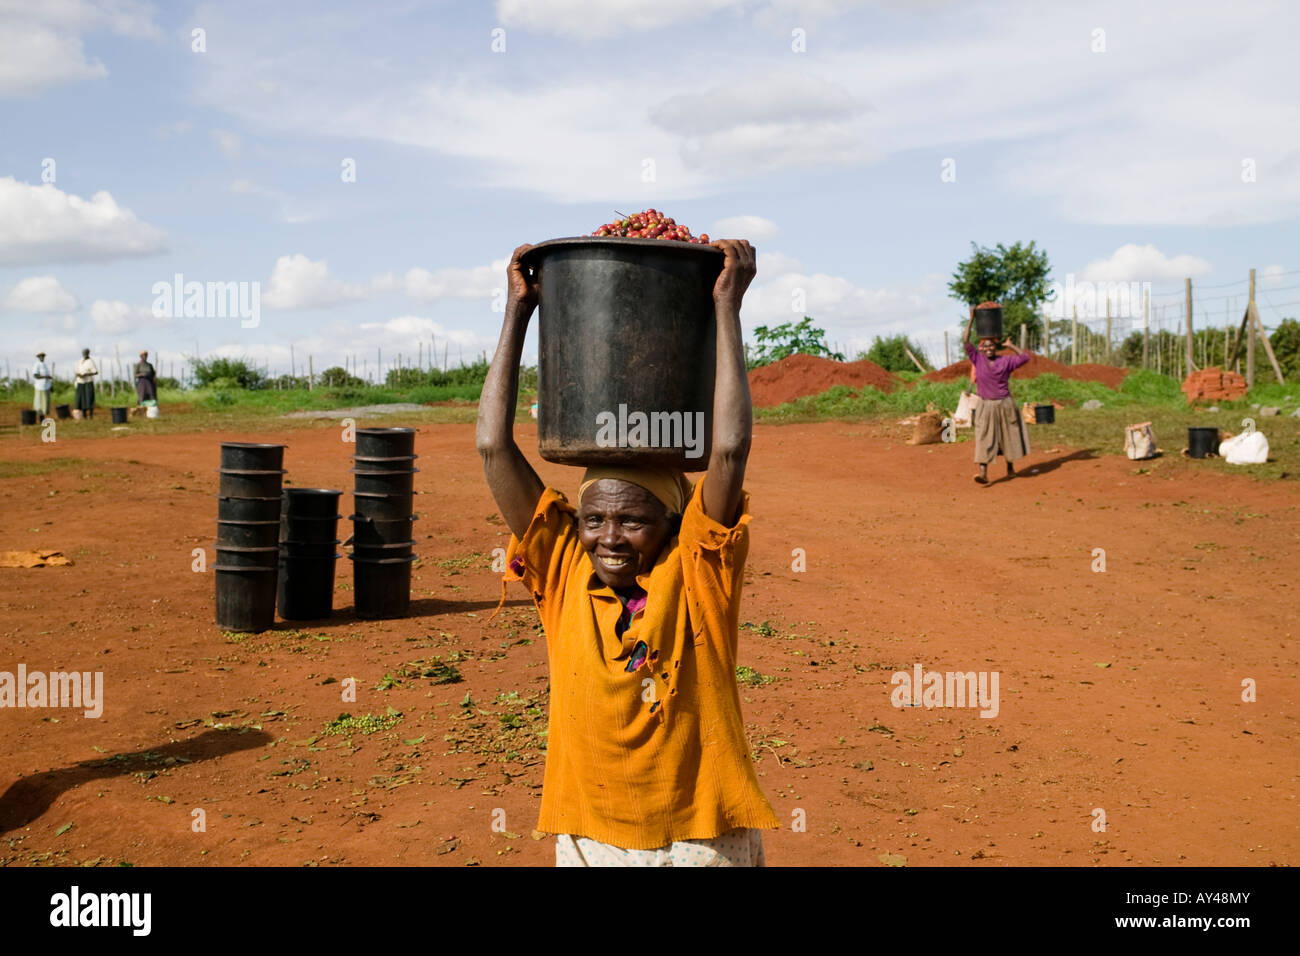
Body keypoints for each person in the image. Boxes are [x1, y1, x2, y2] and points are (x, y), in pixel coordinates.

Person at [477, 238, 779, 867]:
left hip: (698, 839)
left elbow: (727, 451)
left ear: (674, 524)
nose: (609, 538)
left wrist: (727, 308)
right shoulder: (565, 571)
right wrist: (519, 310)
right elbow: (492, 447)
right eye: (594, 519)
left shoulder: (697, 574)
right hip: (594, 837)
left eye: (633, 520)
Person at [964, 304, 1031, 484]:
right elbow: (966, 342)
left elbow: (1024, 358)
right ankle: (983, 473)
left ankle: (1010, 469)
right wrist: (971, 319)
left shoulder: (1005, 361)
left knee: (1008, 436)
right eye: (985, 346)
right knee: (983, 437)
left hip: (1004, 403)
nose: (988, 349)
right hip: (985, 404)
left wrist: (1011, 345)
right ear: (981, 349)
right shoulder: (977, 359)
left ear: (996, 347)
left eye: (991, 346)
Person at [74, 349, 98, 419]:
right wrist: (79, 375)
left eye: (86, 353)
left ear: (88, 353)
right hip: (80, 382)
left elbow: (95, 372)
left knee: (89, 398)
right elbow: (77, 371)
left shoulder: (90, 362)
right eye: (83, 353)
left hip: (88, 382)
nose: (84, 354)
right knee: (82, 398)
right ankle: (84, 415)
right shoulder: (80, 361)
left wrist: (86, 374)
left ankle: (90, 415)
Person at [31, 351, 52, 419]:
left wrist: (49, 379)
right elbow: (36, 375)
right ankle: (40, 416)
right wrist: (45, 377)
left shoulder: (45, 365)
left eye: (43, 356)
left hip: (46, 386)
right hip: (39, 386)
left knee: (45, 402)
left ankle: (43, 416)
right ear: (39, 357)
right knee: (39, 402)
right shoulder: (37, 365)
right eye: (41, 356)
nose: (42, 357)